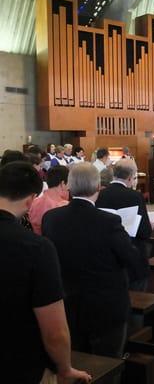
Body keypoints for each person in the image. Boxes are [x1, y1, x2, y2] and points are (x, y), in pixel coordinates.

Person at [0, 161, 91, 384]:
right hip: (19, 366)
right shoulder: (36, 248)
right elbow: (55, 331)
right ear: (31, 199)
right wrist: (65, 368)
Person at [42, 163, 143, 361]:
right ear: (98, 187)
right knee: (108, 361)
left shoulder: (51, 218)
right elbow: (132, 259)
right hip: (105, 305)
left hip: (68, 301)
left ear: (68, 187)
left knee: (78, 358)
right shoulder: (108, 221)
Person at [96, 159, 151, 291]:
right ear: (130, 177)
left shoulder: (99, 195)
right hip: (132, 254)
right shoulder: (135, 196)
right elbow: (144, 231)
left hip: (106, 254)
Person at [29, 166, 70, 235]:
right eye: (69, 184)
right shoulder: (65, 207)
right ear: (63, 184)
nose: (69, 187)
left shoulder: (33, 202)